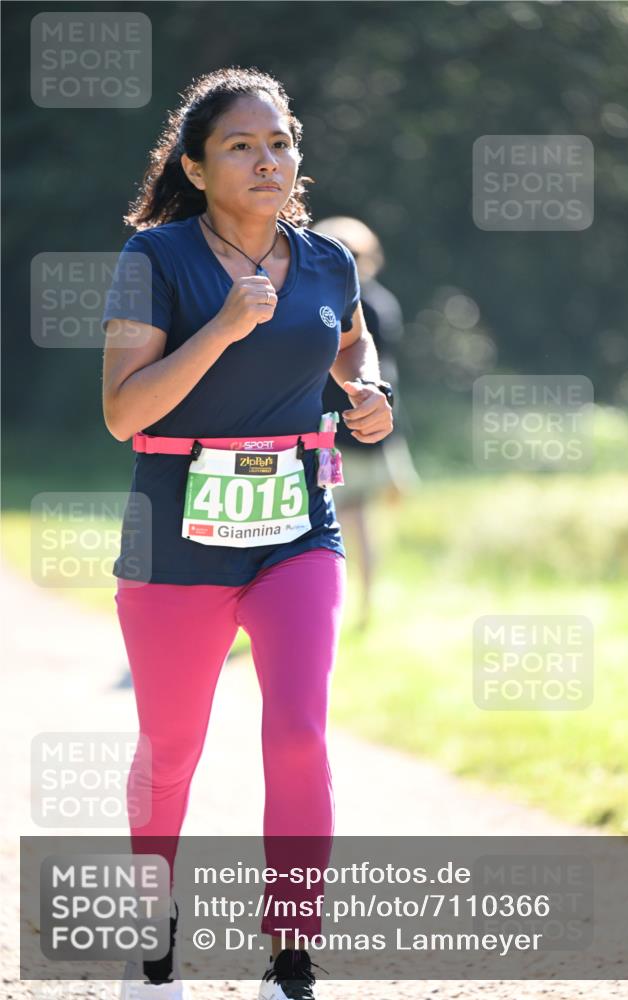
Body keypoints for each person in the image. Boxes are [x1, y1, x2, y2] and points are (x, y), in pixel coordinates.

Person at [101, 67, 393, 1000]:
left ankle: (292, 955)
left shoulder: (326, 261)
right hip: (175, 538)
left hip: (296, 528)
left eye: (280, 141)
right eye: (241, 145)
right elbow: (120, 412)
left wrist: (363, 389)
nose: (268, 159)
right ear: (195, 164)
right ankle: (154, 940)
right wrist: (222, 330)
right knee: (172, 747)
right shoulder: (155, 260)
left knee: (300, 735)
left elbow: (347, 338)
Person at [313, 217, 420, 630]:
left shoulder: (339, 304)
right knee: (358, 522)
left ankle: (336, 609)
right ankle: (362, 605)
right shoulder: (384, 302)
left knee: (330, 528)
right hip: (371, 432)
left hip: (336, 432)